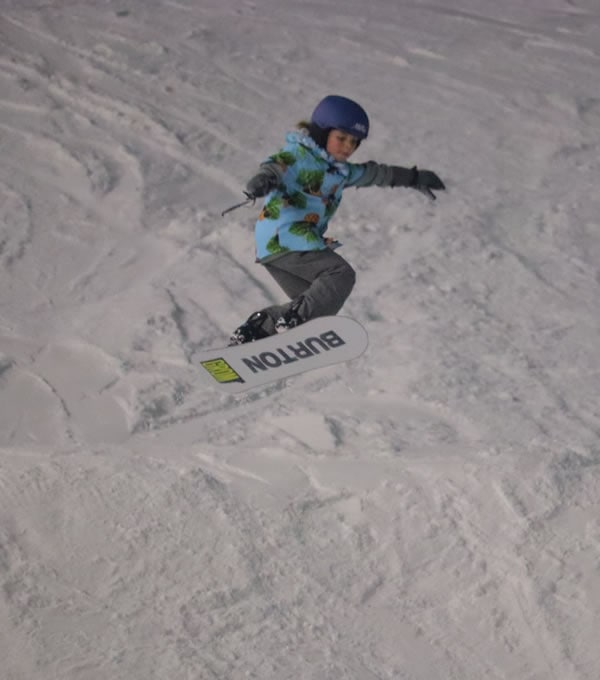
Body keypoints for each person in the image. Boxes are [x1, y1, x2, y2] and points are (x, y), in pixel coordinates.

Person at [229, 94, 445, 345]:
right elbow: (276, 166)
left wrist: (414, 177)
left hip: (275, 249)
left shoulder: (341, 172)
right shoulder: (298, 155)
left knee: (319, 307)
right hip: (287, 238)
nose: (347, 147)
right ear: (322, 133)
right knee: (340, 275)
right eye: (340, 138)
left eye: (354, 142)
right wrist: (263, 180)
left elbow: (375, 174)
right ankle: (289, 321)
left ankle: (257, 331)